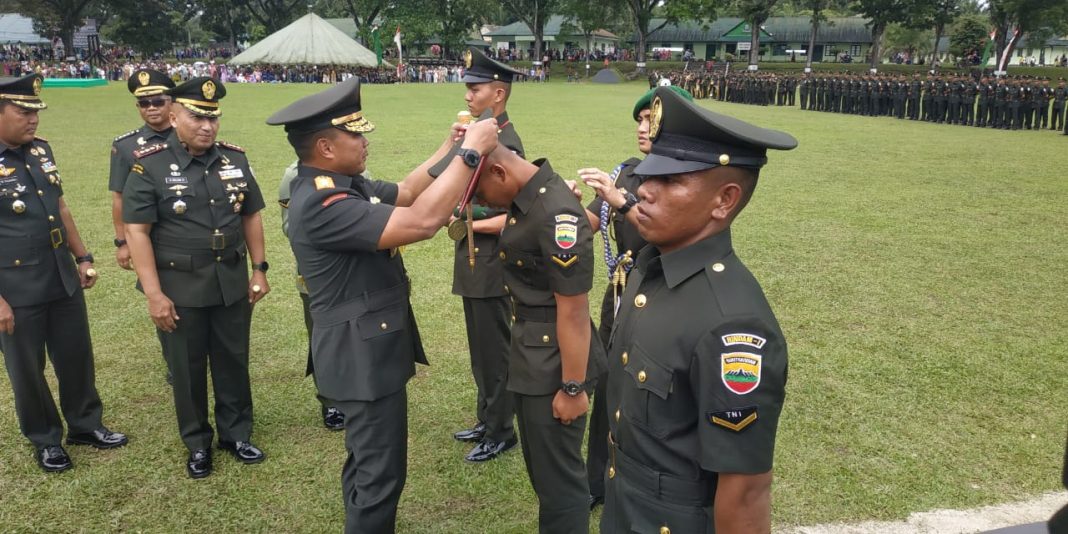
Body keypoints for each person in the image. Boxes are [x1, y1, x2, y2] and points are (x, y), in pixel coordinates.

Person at [266, 77, 498, 534]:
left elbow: (407, 190)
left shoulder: (339, 183)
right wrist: (470, 154)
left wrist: (448, 149)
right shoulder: (324, 202)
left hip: (363, 351)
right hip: (360, 360)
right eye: (355, 134)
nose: (364, 139)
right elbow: (423, 220)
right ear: (325, 147)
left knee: (368, 462)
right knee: (380, 476)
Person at [601, 86, 797, 533]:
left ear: (723, 200)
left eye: (670, 181)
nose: (644, 190)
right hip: (625, 507)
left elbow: (745, 492)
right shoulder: (653, 265)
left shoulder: (731, 324)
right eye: (649, 175)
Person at [123, 77, 269, 479]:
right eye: (196, 117)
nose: (207, 126)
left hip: (230, 282)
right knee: (186, 368)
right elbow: (137, 232)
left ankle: (235, 434)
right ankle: (197, 442)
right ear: (173, 116)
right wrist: (154, 294)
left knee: (233, 360)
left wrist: (259, 268)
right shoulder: (148, 165)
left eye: (213, 118)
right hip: (180, 286)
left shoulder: (234, 160)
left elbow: (251, 214)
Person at [471, 130, 608, 534]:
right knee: (545, 476)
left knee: (560, 485)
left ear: (498, 171)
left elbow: (574, 311)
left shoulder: (556, 214)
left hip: (554, 364)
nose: (479, 202)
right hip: (533, 353)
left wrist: (572, 387)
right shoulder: (530, 198)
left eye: (479, 191)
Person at [0, 73, 127, 473]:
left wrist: (83, 256)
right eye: (23, 112)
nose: (33, 119)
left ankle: (86, 424)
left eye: (36, 111)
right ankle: (44, 438)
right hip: (15, 286)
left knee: (76, 355)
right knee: (27, 369)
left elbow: (62, 207)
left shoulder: (40, 150)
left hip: (60, 274)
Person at [575, 84, 694, 511]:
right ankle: (597, 481)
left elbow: (665, 232)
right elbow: (588, 222)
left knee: (651, 395)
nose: (643, 128)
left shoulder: (684, 180)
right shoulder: (626, 171)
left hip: (664, 295)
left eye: (651, 120)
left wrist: (621, 200)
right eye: (640, 121)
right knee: (608, 386)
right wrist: (564, 205)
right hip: (622, 291)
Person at [419, 46, 525, 463]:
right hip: (473, 258)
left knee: (494, 350)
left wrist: (465, 217)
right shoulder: (481, 136)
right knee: (480, 350)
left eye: (475, 88)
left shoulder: (505, 142)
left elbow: (512, 209)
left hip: (491, 261)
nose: (467, 95)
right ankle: (488, 417)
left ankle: (502, 430)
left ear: (498, 94)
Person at [108, 68, 176, 384]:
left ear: (172, 102)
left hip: (186, 231)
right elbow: (119, 197)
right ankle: (175, 361)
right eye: (143, 103)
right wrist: (122, 241)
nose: (151, 108)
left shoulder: (190, 134)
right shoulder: (126, 146)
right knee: (160, 294)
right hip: (149, 236)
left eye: (158, 101)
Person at [278, 161, 344, 431]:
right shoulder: (294, 174)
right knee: (324, 339)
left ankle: (355, 395)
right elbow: (289, 226)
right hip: (318, 276)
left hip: (354, 271)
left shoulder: (357, 170)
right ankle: (331, 402)